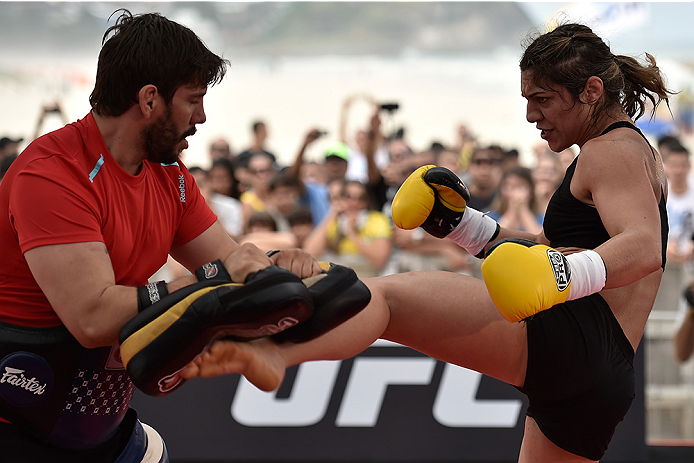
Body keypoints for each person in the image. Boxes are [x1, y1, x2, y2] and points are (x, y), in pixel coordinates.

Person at [183, 22, 673, 463]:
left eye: (542, 99)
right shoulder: (623, 151)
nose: (529, 115)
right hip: (603, 374)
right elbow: (547, 251)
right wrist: (466, 226)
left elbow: (643, 248)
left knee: (388, 300)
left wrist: (563, 276)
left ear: (590, 91)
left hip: (577, 335)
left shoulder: (611, 150)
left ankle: (279, 354)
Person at [0, 9, 321, 463]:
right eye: (193, 100)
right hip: (17, 424)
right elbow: (92, 317)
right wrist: (213, 280)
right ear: (150, 100)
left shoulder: (169, 175)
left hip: (95, 427)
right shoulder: (52, 174)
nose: (203, 116)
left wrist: (279, 266)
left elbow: (230, 264)